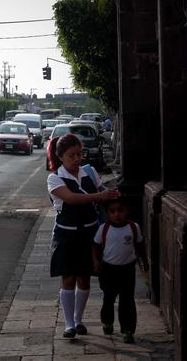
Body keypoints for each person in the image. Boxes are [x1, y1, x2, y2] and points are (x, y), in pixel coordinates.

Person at [47, 134, 121, 338]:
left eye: (79, 154)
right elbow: (71, 199)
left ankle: (78, 319)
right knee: (68, 277)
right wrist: (99, 196)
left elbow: (103, 191)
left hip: (89, 232)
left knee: (85, 278)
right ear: (61, 156)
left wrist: (112, 195)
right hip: (67, 235)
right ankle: (69, 323)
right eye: (71, 155)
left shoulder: (89, 172)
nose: (76, 158)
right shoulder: (55, 177)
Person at [92, 196, 148, 344]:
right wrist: (96, 261)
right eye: (112, 211)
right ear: (107, 213)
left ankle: (127, 330)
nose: (117, 214)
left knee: (127, 300)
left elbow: (140, 246)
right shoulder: (103, 229)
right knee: (108, 299)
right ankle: (107, 322)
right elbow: (96, 246)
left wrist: (144, 261)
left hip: (127, 270)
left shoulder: (133, 227)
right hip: (108, 270)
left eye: (120, 210)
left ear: (127, 211)